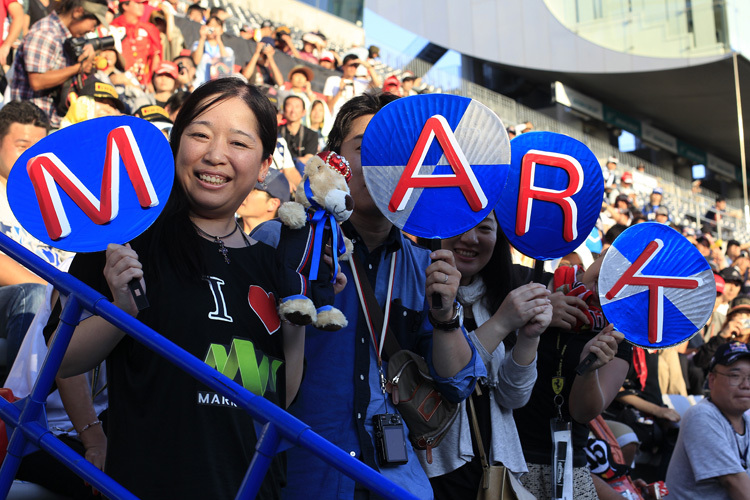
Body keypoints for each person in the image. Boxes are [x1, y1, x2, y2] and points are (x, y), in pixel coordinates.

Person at [55, 78, 311, 499]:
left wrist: (297, 322)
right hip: (147, 483)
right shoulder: (126, 239)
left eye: (239, 144)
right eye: (200, 135)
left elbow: (280, 397)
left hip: (249, 487)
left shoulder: (276, 266)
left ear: (265, 166)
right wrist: (122, 310)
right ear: (176, 144)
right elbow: (62, 361)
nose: (215, 155)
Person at [252, 91, 485, 499]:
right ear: (332, 159)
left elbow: (457, 384)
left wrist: (446, 314)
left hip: (393, 481)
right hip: (299, 472)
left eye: (395, 151)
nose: (380, 163)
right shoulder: (283, 240)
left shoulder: (425, 266)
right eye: (365, 148)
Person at [421, 213, 553, 498]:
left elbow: (513, 398)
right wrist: (502, 323)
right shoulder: (416, 286)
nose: (471, 238)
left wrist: (529, 339)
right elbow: (449, 379)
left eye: (484, 228)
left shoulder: (497, 297)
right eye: (461, 224)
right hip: (433, 470)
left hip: (492, 472)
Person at [514, 254, 631, 499]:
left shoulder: (620, 332)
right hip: (504, 451)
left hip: (566, 467)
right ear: (601, 256)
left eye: (631, 275)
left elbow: (584, 412)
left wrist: (588, 369)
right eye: (616, 261)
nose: (617, 275)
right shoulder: (530, 280)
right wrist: (539, 311)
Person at [0, 101, 68, 379]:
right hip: (22, 298)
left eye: (38, 148)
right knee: (34, 296)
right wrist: (59, 292)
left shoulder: (53, 201)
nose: (31, 156)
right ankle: (20, 411)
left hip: (57, 301)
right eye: (21, 145)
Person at [666, 341, 750, 499]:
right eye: (735, 376)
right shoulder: (702, 416)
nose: (746, 385)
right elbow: (736, 484)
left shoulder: (746, 418)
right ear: (712, 380)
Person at [10, 0, 107, 129]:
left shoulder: (66, 35)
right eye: (93, 24)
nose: (92, 30)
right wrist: (79, 68)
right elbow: (37, 81)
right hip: (33, 124)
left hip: (53, 121)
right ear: (78, 12)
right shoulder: (46, 33)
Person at [110, 0, 161, 86]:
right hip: (120, 80)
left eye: (143, 3)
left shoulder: (149, 29)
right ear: (125, 6)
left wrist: (151, 82)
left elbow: (155, 56)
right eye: (138, 3)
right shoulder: (113, 28)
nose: (142, 6)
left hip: (143, 83)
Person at [236, 168, 290, 234]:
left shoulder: (284, 241)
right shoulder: (223, 234)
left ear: (273, 204)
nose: (242, 192)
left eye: (251, 190)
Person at [323, 54, 378, 118]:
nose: (353, 68)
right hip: (333, 119)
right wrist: (340, 91)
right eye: (350, 65)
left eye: (356, 66)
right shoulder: (332, 80)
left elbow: (376, 83)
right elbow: (328, 106)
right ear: (343, 66)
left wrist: (368, 67)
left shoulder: (360, 82)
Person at [190, 15, 234, 88]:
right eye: (210, 25)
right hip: (199, 85)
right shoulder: (198, 44)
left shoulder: (227, 50)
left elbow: (227, 65)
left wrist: (218, 39)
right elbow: (196, 61)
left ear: (221, 30)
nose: (213, 28)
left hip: (217, 87)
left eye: (216, 26)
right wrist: (202, 38)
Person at [278, 95, 318, 169]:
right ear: (283, 110)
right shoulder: (276, 131)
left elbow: (308, 159)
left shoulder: (312, 135)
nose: (293, 110)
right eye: (289, 106)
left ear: (304, 112)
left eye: (297, 107)